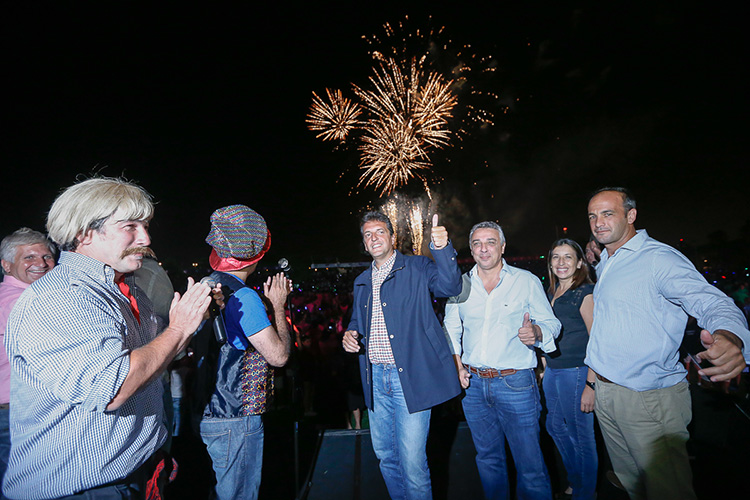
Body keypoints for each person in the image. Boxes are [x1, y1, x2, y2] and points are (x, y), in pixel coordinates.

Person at [2, 177, 217, 500]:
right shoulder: (62, 296)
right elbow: (112, 388)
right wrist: (179, 328)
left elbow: (155, 360)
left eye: (145, 225)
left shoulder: (126, 289)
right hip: (84, 488)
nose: (144, 237)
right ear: (83, 232)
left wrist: (191, 320)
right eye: (129, 226)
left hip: (134, 472)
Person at [585, 187, 750, 500]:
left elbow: (713, 303)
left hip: (648, 400)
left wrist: (731, 335)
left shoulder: (658, 259)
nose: (598, 222)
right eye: (593, 216)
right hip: (608, 394)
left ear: (631, 216)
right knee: (633, 486)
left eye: (608, 213)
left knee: (668, 492)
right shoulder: (608, 262)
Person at [342, 211, 461, 500]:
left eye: (380, 232)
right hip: (375, 379)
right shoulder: (362, 281)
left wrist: (442, 248)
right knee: (386, 457)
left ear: (393, 237)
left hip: (410, 378)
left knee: (412, 463)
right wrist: (350, 333)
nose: (374, 238)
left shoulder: (418, 267)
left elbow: (450, 286)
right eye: (368, 235)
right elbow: (359, 321)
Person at [444, 221, 561, 500]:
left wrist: (537, 332)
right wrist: (457, 365)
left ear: (502, 247)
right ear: (471, 249)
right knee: (488, 461)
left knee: (530, 465)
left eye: (491, 242)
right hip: (473, 387)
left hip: (516, 383)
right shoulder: (459, 285)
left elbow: (551, 323)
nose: (484, 249)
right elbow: (451, 329)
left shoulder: (526, 281)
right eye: (477, 243)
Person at [196, 204, 292, 500]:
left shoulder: (205, 285)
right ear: (255, 256)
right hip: (236, 417)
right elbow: (278, 356)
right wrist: (278, 305)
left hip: (209, 410)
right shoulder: (246, 297)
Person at [0, 228, 56, 496]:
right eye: (29, 257)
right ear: (6, 265)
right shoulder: (21, 302)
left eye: (47, 256)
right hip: (14, 415)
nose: (41, 264)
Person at [541, 239, 597, 500]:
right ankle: (578, 479)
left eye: (568, 257)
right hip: (553, 370)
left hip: (577, 371)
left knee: (581, 435)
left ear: (579, 263)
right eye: (556, 257)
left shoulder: (585, 292)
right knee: (554, 426)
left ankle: (585, 492)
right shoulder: (550, 293)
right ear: (550, 262)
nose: (561, 263)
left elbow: (597, 339)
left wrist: (591, 384)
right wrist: (543, 366)